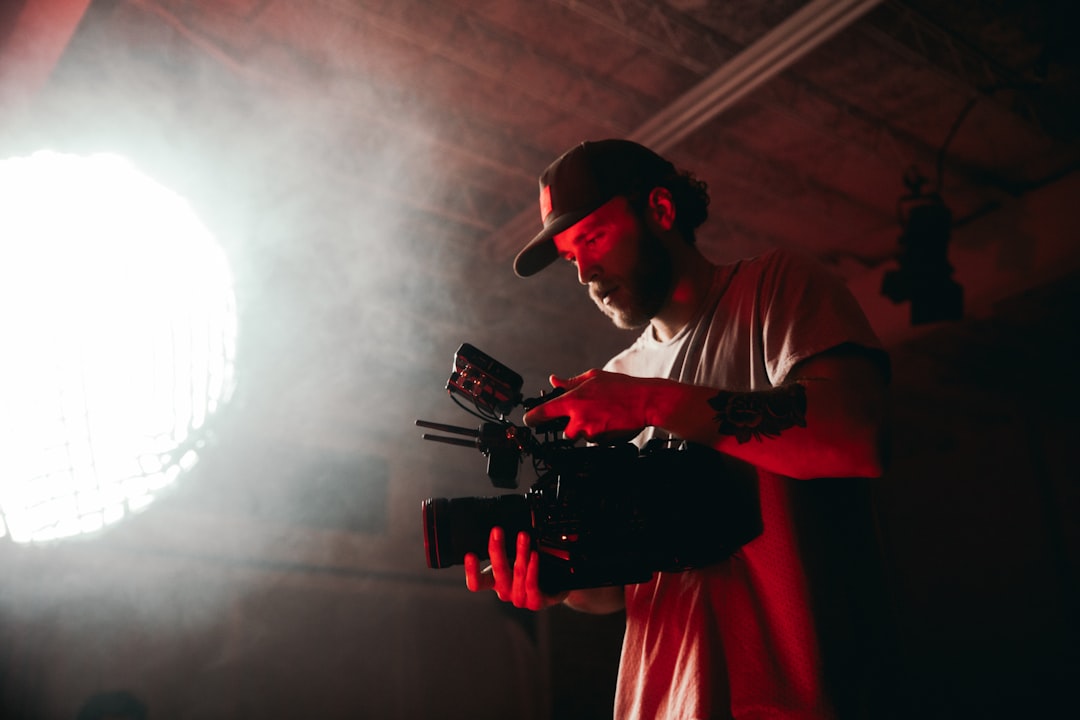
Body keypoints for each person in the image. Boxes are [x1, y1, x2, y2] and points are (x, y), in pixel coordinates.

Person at [464, 139, 893, 719]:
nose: (586, 272)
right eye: (571, 257)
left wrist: (647, 402)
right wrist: (561, 580)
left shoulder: (776, 288)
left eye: (593, 238)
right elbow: (624, 584)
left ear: (661, 211)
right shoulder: (615, 379)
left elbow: (853, 434)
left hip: (797, 699)